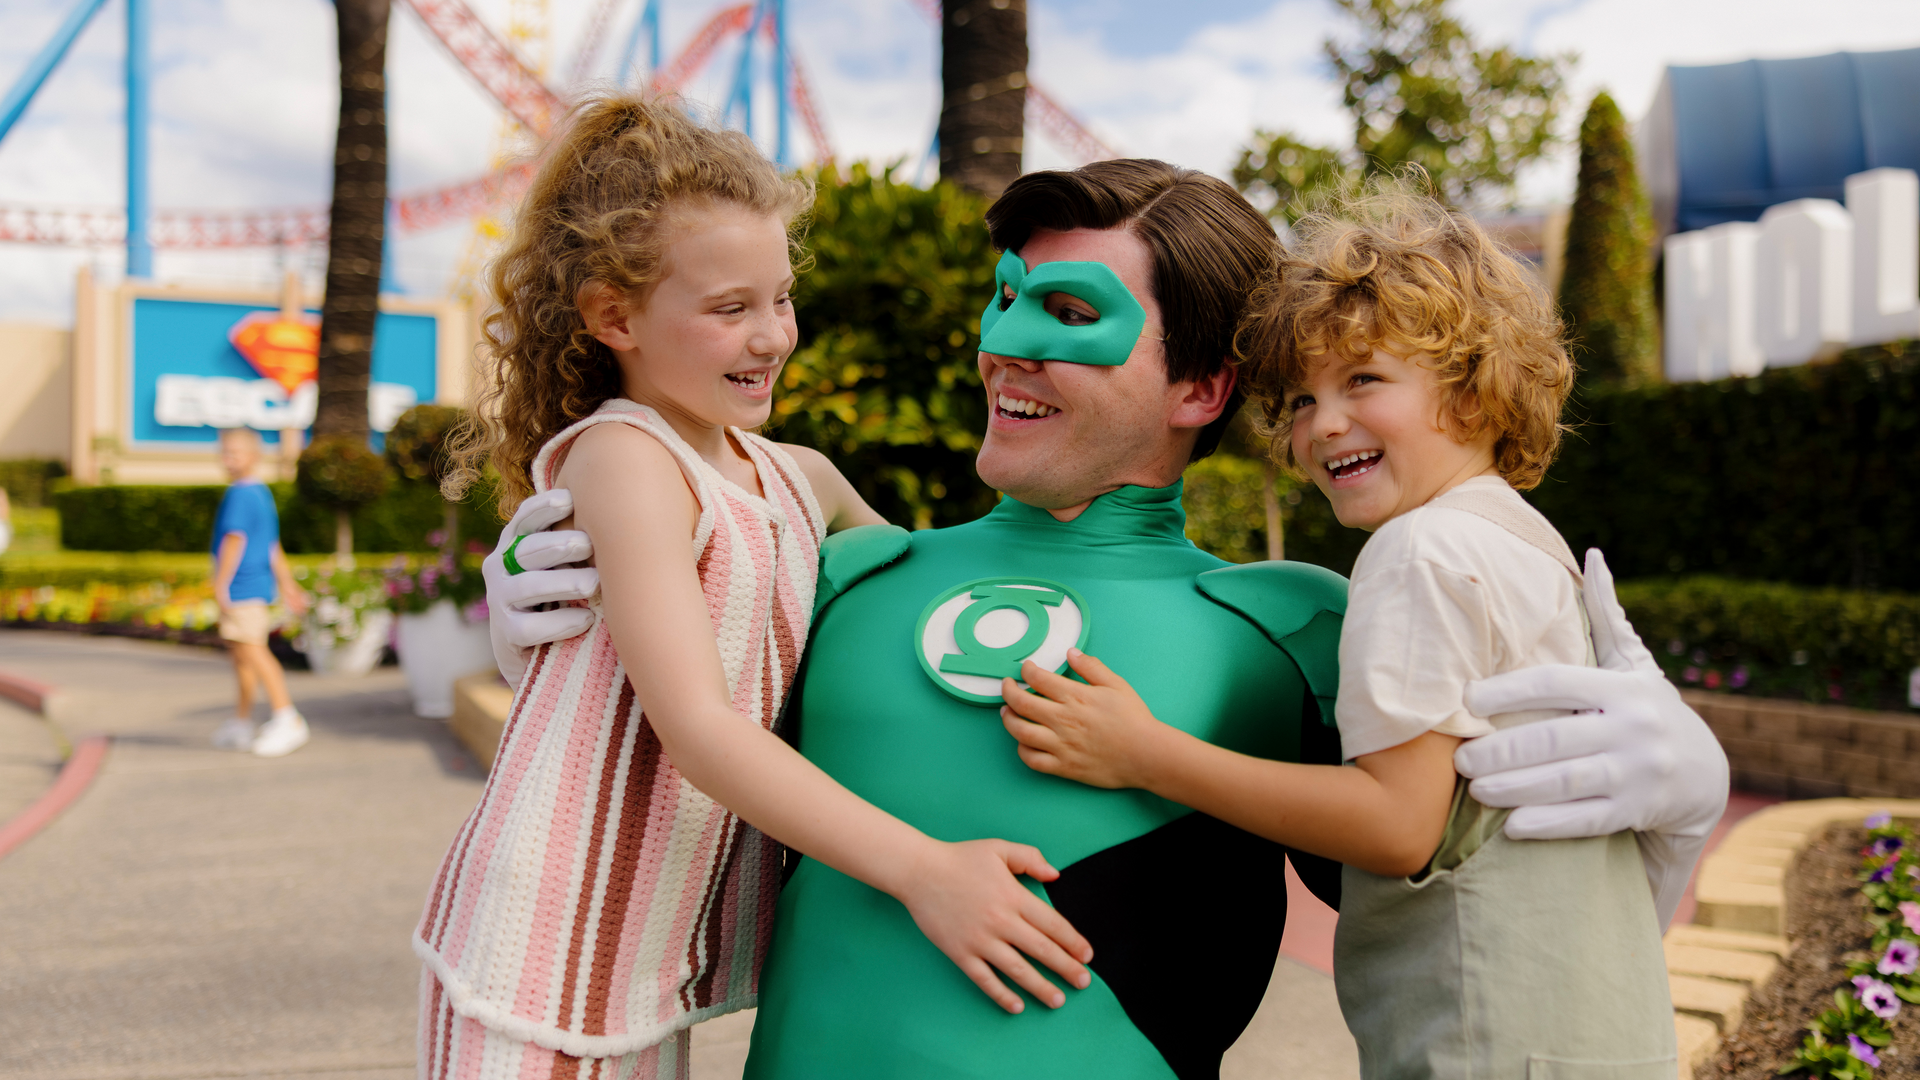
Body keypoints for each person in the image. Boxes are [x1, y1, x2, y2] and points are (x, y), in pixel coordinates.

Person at [483, 160, 1728, 1079]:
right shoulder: (842, 565)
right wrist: (566, 601)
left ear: (1202, 387)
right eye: (1007, 299)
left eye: (1071, 316)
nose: (1004, 348)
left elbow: (1459, 893)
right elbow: (696, 627)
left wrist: (1679, 799)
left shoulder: (1299, 623)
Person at [414, 95, 1094, 1080]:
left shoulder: (794, 477)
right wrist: (925, 870)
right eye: (730, 309)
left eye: (780, 298)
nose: (772, 335)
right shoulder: (624, 457)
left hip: (638, 965)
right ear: (615, 317)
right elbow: (697, 728)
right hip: (537, 958)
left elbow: (932, 592)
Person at [1003, 189, 1681, 1078]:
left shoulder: (1419, 551)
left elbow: (1399, 824)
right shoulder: (1522, 538)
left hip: (1483, 1040)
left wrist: (1146, 754)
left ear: (1474, 391)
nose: (1322, 424)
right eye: (1298, 399)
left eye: (1363, 380)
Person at [209, 427, 310, 757]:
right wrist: (288, 585)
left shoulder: (240, 494)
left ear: (253, 456)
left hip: (242, 588)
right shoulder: (261, 493)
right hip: (253, 588)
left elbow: (234, 540)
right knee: (242, 655)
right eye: (225, 452)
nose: (228, 459)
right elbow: (271, 546)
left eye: (235, 452)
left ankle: (287, 717)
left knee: (253, 653)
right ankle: (241, 721)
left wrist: (221, 583)